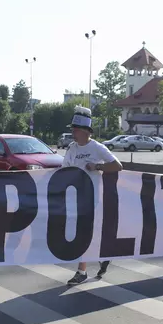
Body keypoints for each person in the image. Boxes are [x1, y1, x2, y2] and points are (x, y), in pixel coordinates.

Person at [62, 107, 123, 286]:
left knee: (83, 235)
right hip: (74, 199)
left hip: (91, 199)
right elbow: (64, 170)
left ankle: (82, 271)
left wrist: (97, 167)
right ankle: (103, 255)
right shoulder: (71, 148)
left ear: (84, 131)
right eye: (72, 129)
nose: (72, 132)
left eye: (75, 129)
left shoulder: (97, 147)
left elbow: (117, 166)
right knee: (83, 235)